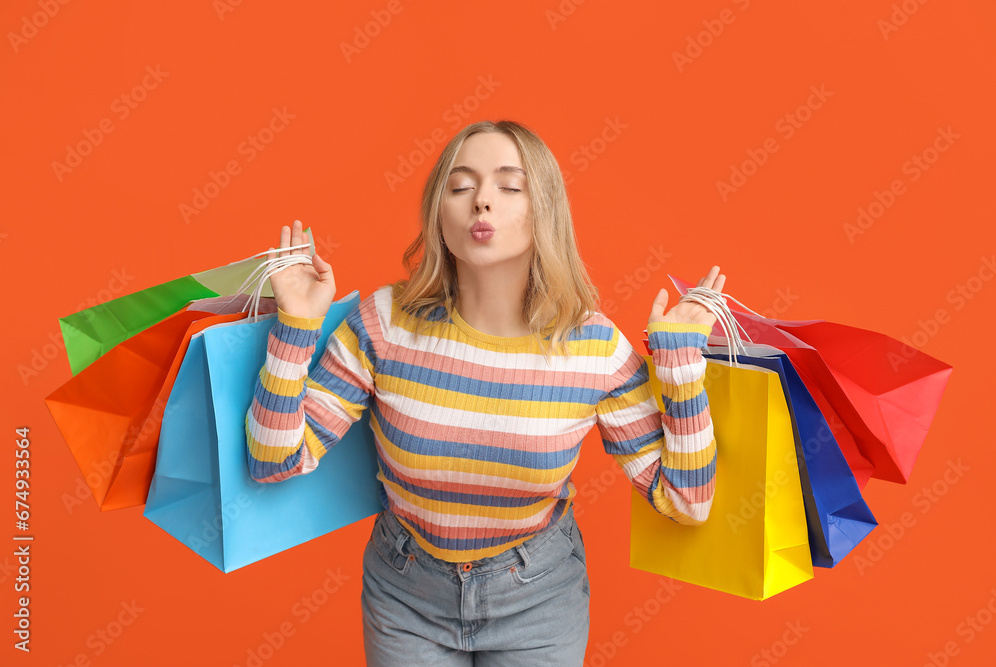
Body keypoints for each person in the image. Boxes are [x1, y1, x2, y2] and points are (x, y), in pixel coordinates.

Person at [245, 120, 725, 666]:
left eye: (509, 186)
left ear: (544, 208)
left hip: (539, 598)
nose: (482, 203)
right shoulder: (384, 322)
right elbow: (273, 460)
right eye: (460, 186)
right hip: (405, 592)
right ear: (438, 212)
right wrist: (296, 325)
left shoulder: (594, 347)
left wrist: (681, 365)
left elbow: (686, 501)